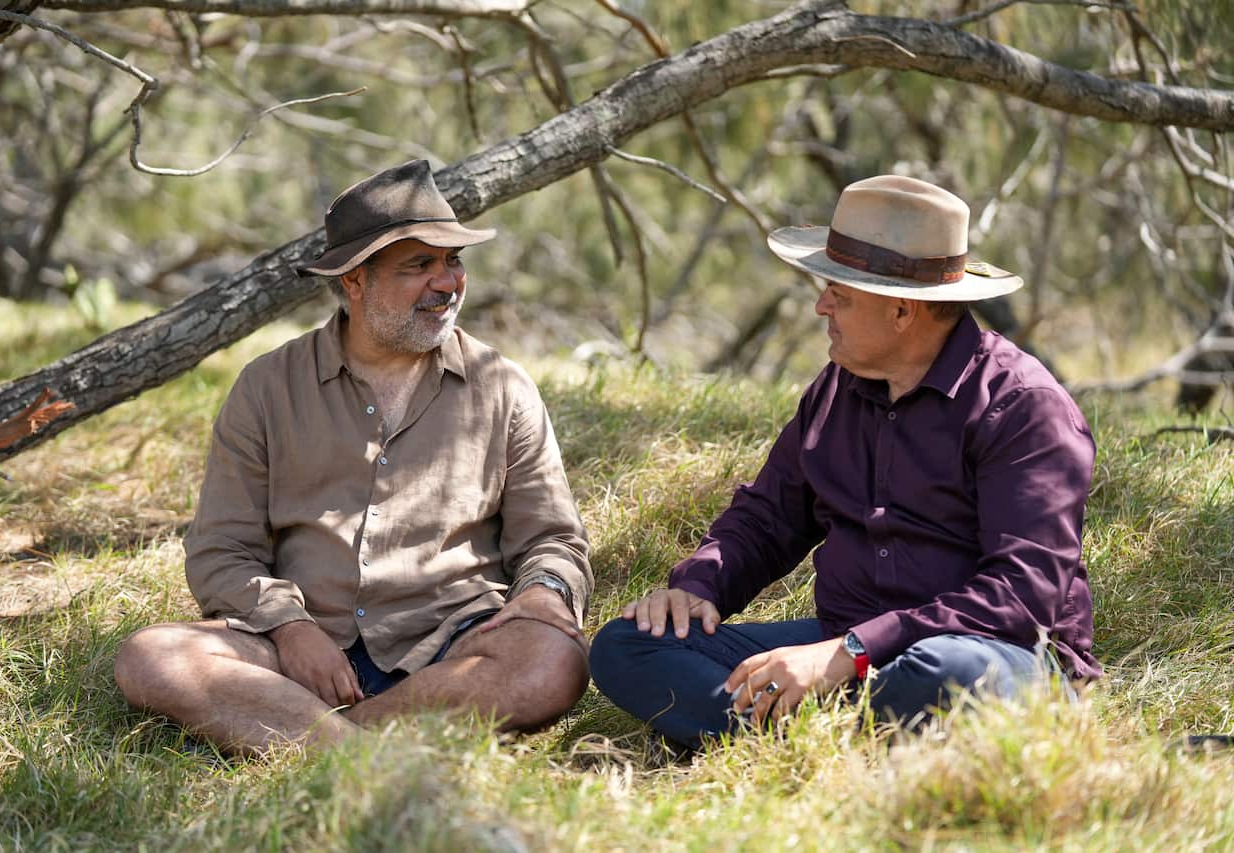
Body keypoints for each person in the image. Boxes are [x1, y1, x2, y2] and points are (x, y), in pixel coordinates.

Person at [589, 174, 1101, 748]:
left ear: (902, 311)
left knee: (941, 671)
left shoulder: (1023, 407)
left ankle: (791, 735)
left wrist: (851, 651)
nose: (821, 305)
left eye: (841, 294)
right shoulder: (838, 387)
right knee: (628, 645)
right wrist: (699, 588)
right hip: (842, 648)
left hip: (990, 653)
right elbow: (768, 517)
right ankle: (829, 740)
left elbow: (1020, 596)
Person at [115, 160, 593, 754]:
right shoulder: (267, 386)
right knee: (150, 657)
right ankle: (369, 745)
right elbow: (221, 550)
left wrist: (544, 592)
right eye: (419, 265)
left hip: (454, 645)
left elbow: (552, 538)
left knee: (553, 661)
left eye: (453, 261)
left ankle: (328, 742)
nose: (446, 283)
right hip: (299, 651)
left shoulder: (503, 386)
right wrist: (290, 627)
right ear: (354, 282)